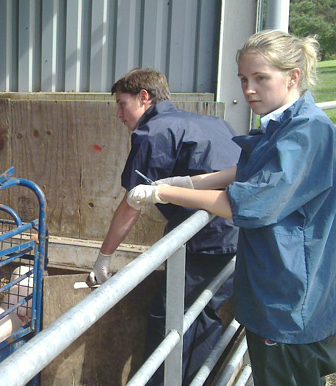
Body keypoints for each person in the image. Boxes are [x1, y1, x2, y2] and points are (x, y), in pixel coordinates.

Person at [128, 31, 336, 386]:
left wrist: (166, 194)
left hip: (287, 300)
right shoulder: (284, 123)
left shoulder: (307, 132)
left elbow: (249, 202)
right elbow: (250, 171)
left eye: (261, 78)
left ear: (293, 77)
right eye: (243, 79)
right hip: (277, 285)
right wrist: (191, 182)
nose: (249, 89)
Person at [87, 68, 241, 386]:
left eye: (122, 104)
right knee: (204, 314)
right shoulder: (213, 122)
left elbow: (133, 203)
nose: (119, 114)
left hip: (204, 242)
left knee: (168, 318)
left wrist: (104, 257)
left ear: (145, 97)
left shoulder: (153, 132)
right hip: (239, 235)